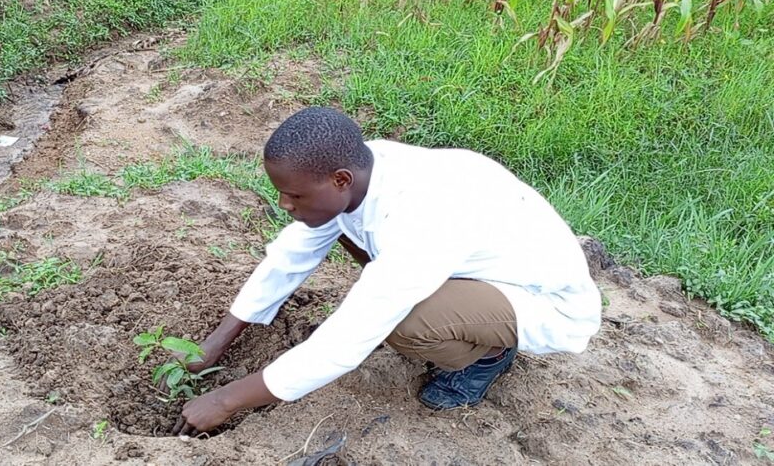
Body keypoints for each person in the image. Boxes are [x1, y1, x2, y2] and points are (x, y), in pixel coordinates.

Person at [171, 106, 601, 436]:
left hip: (541, 298)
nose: (284, 205)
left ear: (339, 179)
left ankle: (488, 355)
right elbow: (288, 258)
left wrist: (226, 401)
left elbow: (345, 342)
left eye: (293, 195)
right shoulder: (362, 172)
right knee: (333, 231)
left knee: (404, 322)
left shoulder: (420, 215)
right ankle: (467, 321)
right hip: (469, 269)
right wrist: (213, 345)